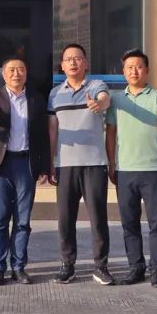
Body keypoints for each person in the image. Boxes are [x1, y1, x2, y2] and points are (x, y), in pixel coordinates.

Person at [0, 57, 50, 286]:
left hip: (25, 163)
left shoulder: (36, 98)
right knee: (0, 219)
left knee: (23, 220)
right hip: (1, 163)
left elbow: (42, 135)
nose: (16, 74)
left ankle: (18, 267)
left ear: (26, 73)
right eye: (11, 70)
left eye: (20, 69)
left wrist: (44, 166)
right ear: (3, 74)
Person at [105, 50, 157, 287]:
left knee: (156, 223)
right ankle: (136, 267)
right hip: (125, 170)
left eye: (139, 66)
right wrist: (111, 163)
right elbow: (111, 133)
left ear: (147, 70)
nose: (134, 71)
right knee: (129, 223)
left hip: (153, 170)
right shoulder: (116, 99)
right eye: (129, 67)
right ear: (123, 71)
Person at [48, 44, 113, 285]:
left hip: (94, 164)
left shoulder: (95, 86)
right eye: (68, 59)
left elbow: (105, 99)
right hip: (65, 165)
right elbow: (52, 130)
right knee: (65, 219)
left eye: (78, 58)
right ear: (62, 65)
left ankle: (101, 266)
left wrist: (99, 104)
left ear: (85, 62)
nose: (73, 63)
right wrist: (51, 162)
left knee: (98, 218)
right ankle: (68, 265)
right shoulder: (55, 94)